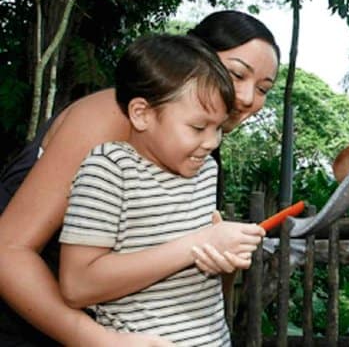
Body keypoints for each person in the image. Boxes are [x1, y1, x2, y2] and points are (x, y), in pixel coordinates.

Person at [0, 11, 280, 346]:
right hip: (26, 318)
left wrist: (222, 259)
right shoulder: (115, 120)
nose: (248, 98)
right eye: (236, 74)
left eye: (263, 88)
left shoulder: (198, 153)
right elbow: (8, 251)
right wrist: (98, 341)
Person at [59, 34, 239, 346]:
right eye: (198, 128)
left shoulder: (206, 170)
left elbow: (202, 285)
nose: (212, 143)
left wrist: (222, 259)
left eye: (219, 129)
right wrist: (196, 244)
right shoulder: (109, 169)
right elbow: (76, 286)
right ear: (142, 114)